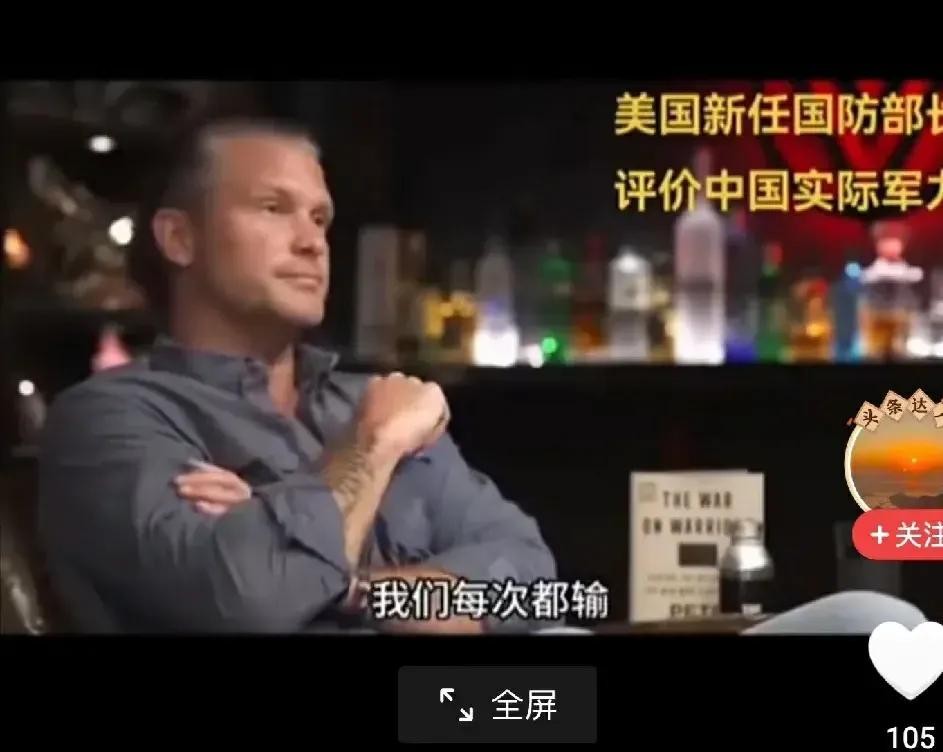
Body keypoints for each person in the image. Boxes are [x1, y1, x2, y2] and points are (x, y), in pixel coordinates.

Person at [36, 117, 558, 634]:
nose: (313, 243)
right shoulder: (110, 420)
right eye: (273, 207)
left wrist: (350, 586)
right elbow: (250, 602)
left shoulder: (375, 400)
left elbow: (531, 581)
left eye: (319, 218)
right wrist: (370, 447)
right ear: (179, 238)